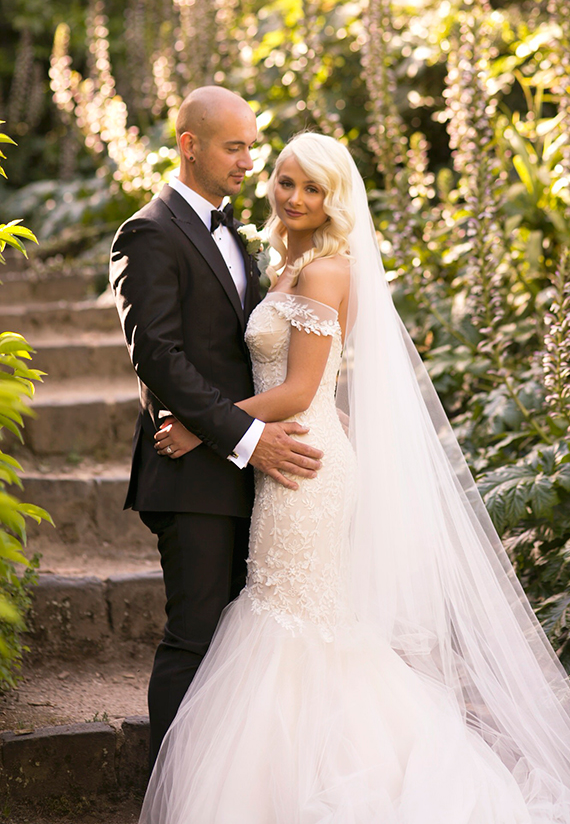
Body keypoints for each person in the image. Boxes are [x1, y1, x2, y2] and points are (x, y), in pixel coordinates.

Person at [141, 132, 570, 823]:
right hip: (282, 453)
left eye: (311, 187)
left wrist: (202, 424)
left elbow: (298, 391)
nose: (293, 197)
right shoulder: (288, 262)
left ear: (335, 197)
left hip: (305, 465)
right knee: (288, 616)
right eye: (285, 181)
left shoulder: (327, 269)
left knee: (296, 620)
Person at [109, 87, 322, 768]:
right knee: (196, 635)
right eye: (235, 146)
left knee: (244, 641)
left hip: (249, 464)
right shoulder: (148, 233)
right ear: (189, 145)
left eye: (251, 145)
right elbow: (158, 359)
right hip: (192, 474)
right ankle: (171, 796)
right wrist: (243, 435)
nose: (247, 160)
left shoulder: (235, 232)